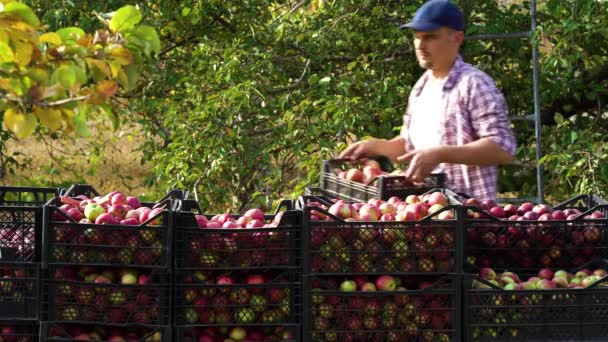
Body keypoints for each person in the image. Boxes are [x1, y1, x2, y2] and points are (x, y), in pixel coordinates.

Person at [339, 0, 516, 200]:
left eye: (430, 37)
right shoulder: (421, 87)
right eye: (417, 37)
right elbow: (409, 147)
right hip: (426, 213)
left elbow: (502, 148)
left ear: (457, 38)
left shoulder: (474, 84)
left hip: (468, 218)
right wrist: (376, 146)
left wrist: (440, 154)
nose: (421, 45)